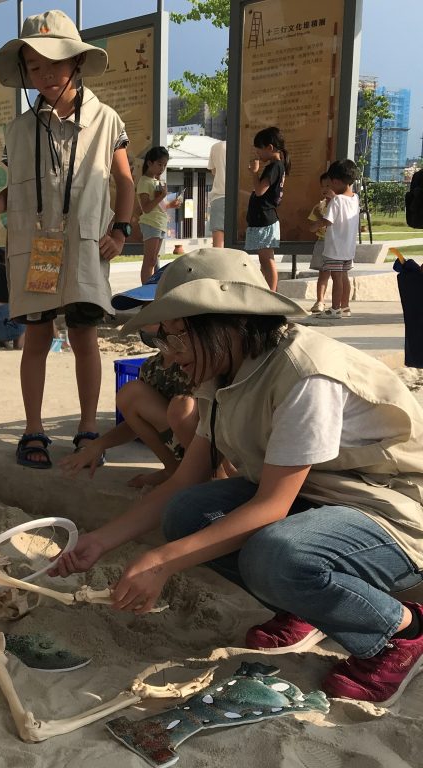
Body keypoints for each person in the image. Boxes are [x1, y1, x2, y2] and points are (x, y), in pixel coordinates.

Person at [52, 247, 423, 707]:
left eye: (176, 338)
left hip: (388, 507)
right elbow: (186, 480)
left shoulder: (304, 372)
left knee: (277, 553)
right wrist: (101, 540)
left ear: (224, 324)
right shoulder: (224, 371)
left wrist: (162, 563)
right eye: (162, 341)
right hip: (315, 497)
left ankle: (400, 632)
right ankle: (302, 607)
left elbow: (271, 507)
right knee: (189, 514)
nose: (169, 358)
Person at [0, 9, 134, 469]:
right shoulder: (21, 128)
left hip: (86, 244)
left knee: (85, 335)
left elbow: (124, 181)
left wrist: (120, 230)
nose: (45, 74)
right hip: (36, 246)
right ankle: (33, 428)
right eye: (34, 66)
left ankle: (88, 428)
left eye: (54, 62)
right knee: (37, 337)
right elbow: (22, 182)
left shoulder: (107, 120)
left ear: (77, 63)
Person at [59, 266, 196, 487]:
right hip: (184, 450)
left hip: (211, 451)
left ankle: (199, 474)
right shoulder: (153, 366)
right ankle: (174, 470)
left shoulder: (201, 360)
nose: (145, 317)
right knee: (130, 394)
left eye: (154, 309)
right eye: (145, 309)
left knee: (183, 408)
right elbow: (138, 421)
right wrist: (98, 445)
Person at [313, 160, 360, 319]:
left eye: (330, 182)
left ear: (337, 181)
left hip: (335, 248)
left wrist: (315, 225)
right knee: (344, 277)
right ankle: (345, 307)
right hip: (348, 248)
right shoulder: (355, 198)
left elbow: (328, 221)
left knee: (336, 278)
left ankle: (334, 309)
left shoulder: (337, 200)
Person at [245, 126, 290, 291]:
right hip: (263, 218)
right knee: (264, 259)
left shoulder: (274, 167)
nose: (258, 154)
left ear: (269, 148)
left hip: (265, 218)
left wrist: (254, 173)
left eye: (259, 150)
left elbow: (260, 190)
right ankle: (268, 290)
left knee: (266, 259)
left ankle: (272, 291)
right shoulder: (277, 166)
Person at [136, 146, 180, 284]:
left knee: (154, 259)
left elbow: (158, 206)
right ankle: (145, 291)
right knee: (150, 260)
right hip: (151, 223)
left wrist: (169, 205)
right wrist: (163, 196)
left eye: (165, 165)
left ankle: (152, 289)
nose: (162, 168)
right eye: (159, 164)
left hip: (159, 223)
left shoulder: (156, 181)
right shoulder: (144, 181)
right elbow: (146, 208)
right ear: (149, 163)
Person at [307, 172, 335, 313]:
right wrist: (320, 221)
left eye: (329, 185)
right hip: (322, 243)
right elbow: (311, 227)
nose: (325, 189)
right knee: (323, 274)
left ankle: (341, 304)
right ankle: (320, 301)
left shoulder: (339, 205)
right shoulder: (319, 207)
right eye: (323, 186)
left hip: (336, 244)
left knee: (339, 275)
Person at [207, 139, 226, 248]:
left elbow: (213, 171)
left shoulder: (216, 147)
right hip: (240, 196)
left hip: (219, 195)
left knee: (218, 244)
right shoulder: (245, 145)